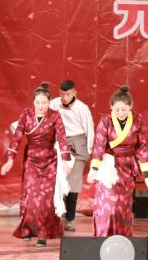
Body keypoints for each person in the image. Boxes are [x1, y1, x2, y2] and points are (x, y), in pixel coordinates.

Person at [1, 83, 71, 246]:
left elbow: (62, 139)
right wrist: (10, 159)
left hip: (49, 161)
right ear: (33, 102)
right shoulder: (26, 115)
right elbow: (17, 137)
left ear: (49, 102)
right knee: (30, 197)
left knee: (45, 199)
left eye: (44, 103)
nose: (41, 106)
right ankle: (27, 230)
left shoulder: (55, 116)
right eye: (38, 102)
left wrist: (65, 162)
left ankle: (42, 234)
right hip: (31, 160)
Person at [88, 85, 148, 236]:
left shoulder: (138, 120)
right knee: (107, 204)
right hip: (109, 167)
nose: (120, 113)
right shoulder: (105, 120)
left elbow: (142, 147)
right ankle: (103, 236)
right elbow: (99, 145)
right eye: (117, 110)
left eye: (124, 109)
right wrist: (94, 169)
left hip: (127, 168)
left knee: (123, 206)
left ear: (130, 106)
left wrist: (147, 176)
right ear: (111, 107)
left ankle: (122, 239)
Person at [49, 79, 94, 231]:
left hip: (78, 144)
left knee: (73, 182)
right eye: (62, 94)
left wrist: (89, 150)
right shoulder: (54, 104)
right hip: (59, 144)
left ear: (75, 92)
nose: (65, 97)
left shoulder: (82, 108)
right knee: (58, 180)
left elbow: (89, 129)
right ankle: (57, 215)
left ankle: (70, 219)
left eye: (68, 94)